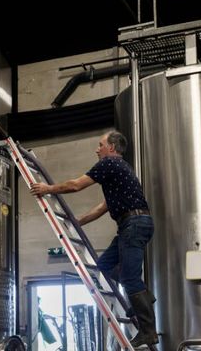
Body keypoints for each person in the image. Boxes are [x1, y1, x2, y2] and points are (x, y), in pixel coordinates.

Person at [30, 130, 158, 348]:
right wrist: (79, 222)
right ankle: (143, 297)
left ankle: (148, 331)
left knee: (129, 278)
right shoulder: (121, 170)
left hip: (133, 225)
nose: (97, 149)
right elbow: (103, 207)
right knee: (104, 266)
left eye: (100, 145)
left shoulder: (109, 164)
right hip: (132, 225)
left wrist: (47, 189)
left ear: (111, 148)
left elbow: (75, 185)